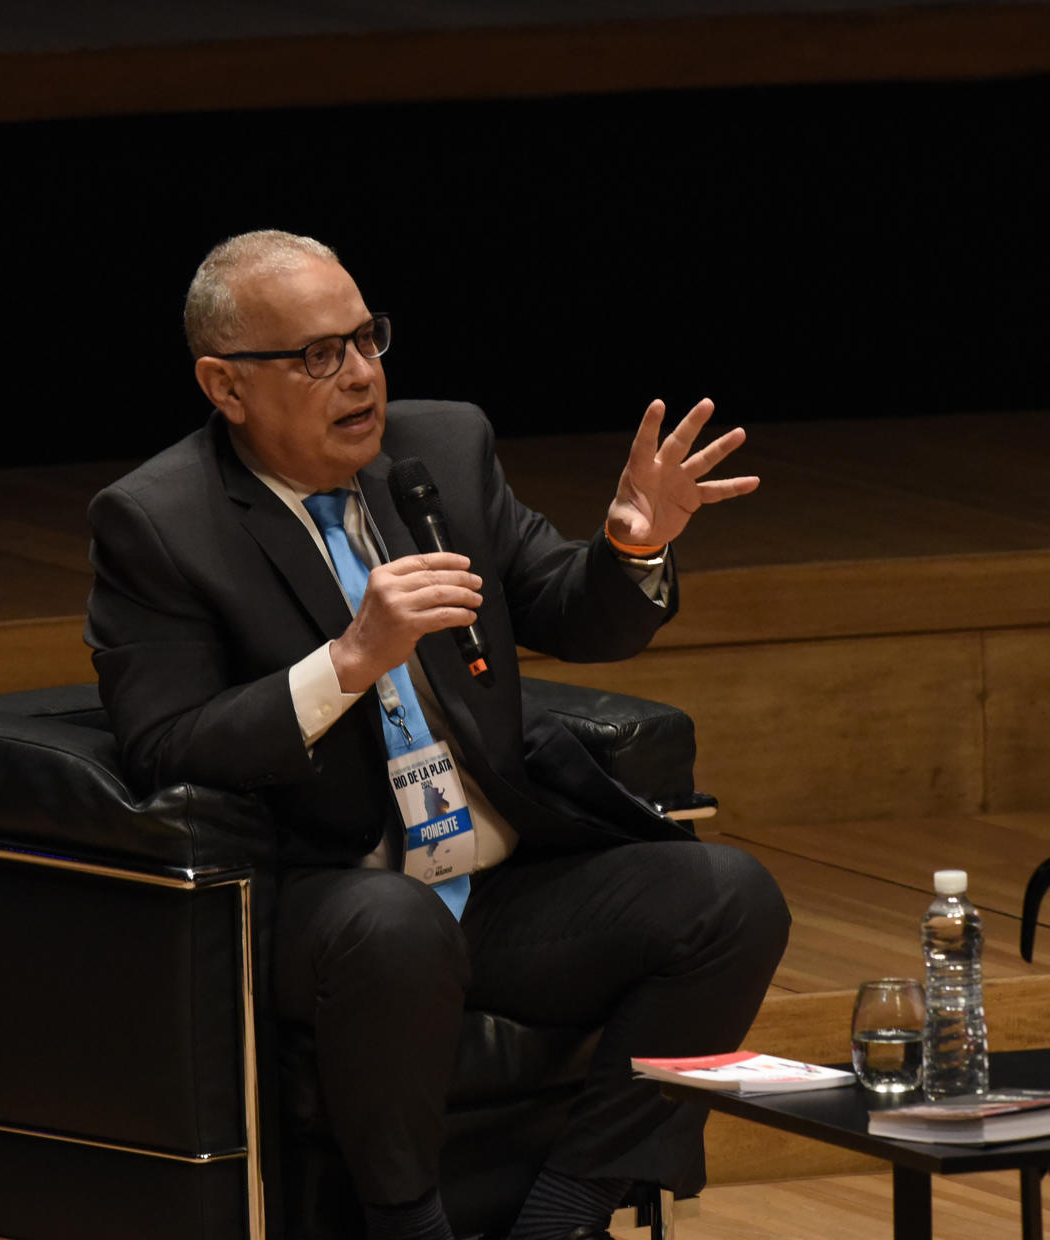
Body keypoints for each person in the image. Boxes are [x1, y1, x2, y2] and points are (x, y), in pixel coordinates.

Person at [85, 230, 789, 1240]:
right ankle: (409, 1225)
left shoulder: (442, 450)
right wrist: (348, 660)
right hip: (321, 901)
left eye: (366, 338)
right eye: (317, 355)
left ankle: (567, 1208)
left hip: (492, 883)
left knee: (729, 899)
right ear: (224, 384)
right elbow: (164, 742)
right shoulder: (160, 522)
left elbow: (568, 608)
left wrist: (633, 547)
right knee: (394, 927)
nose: (361, 374)